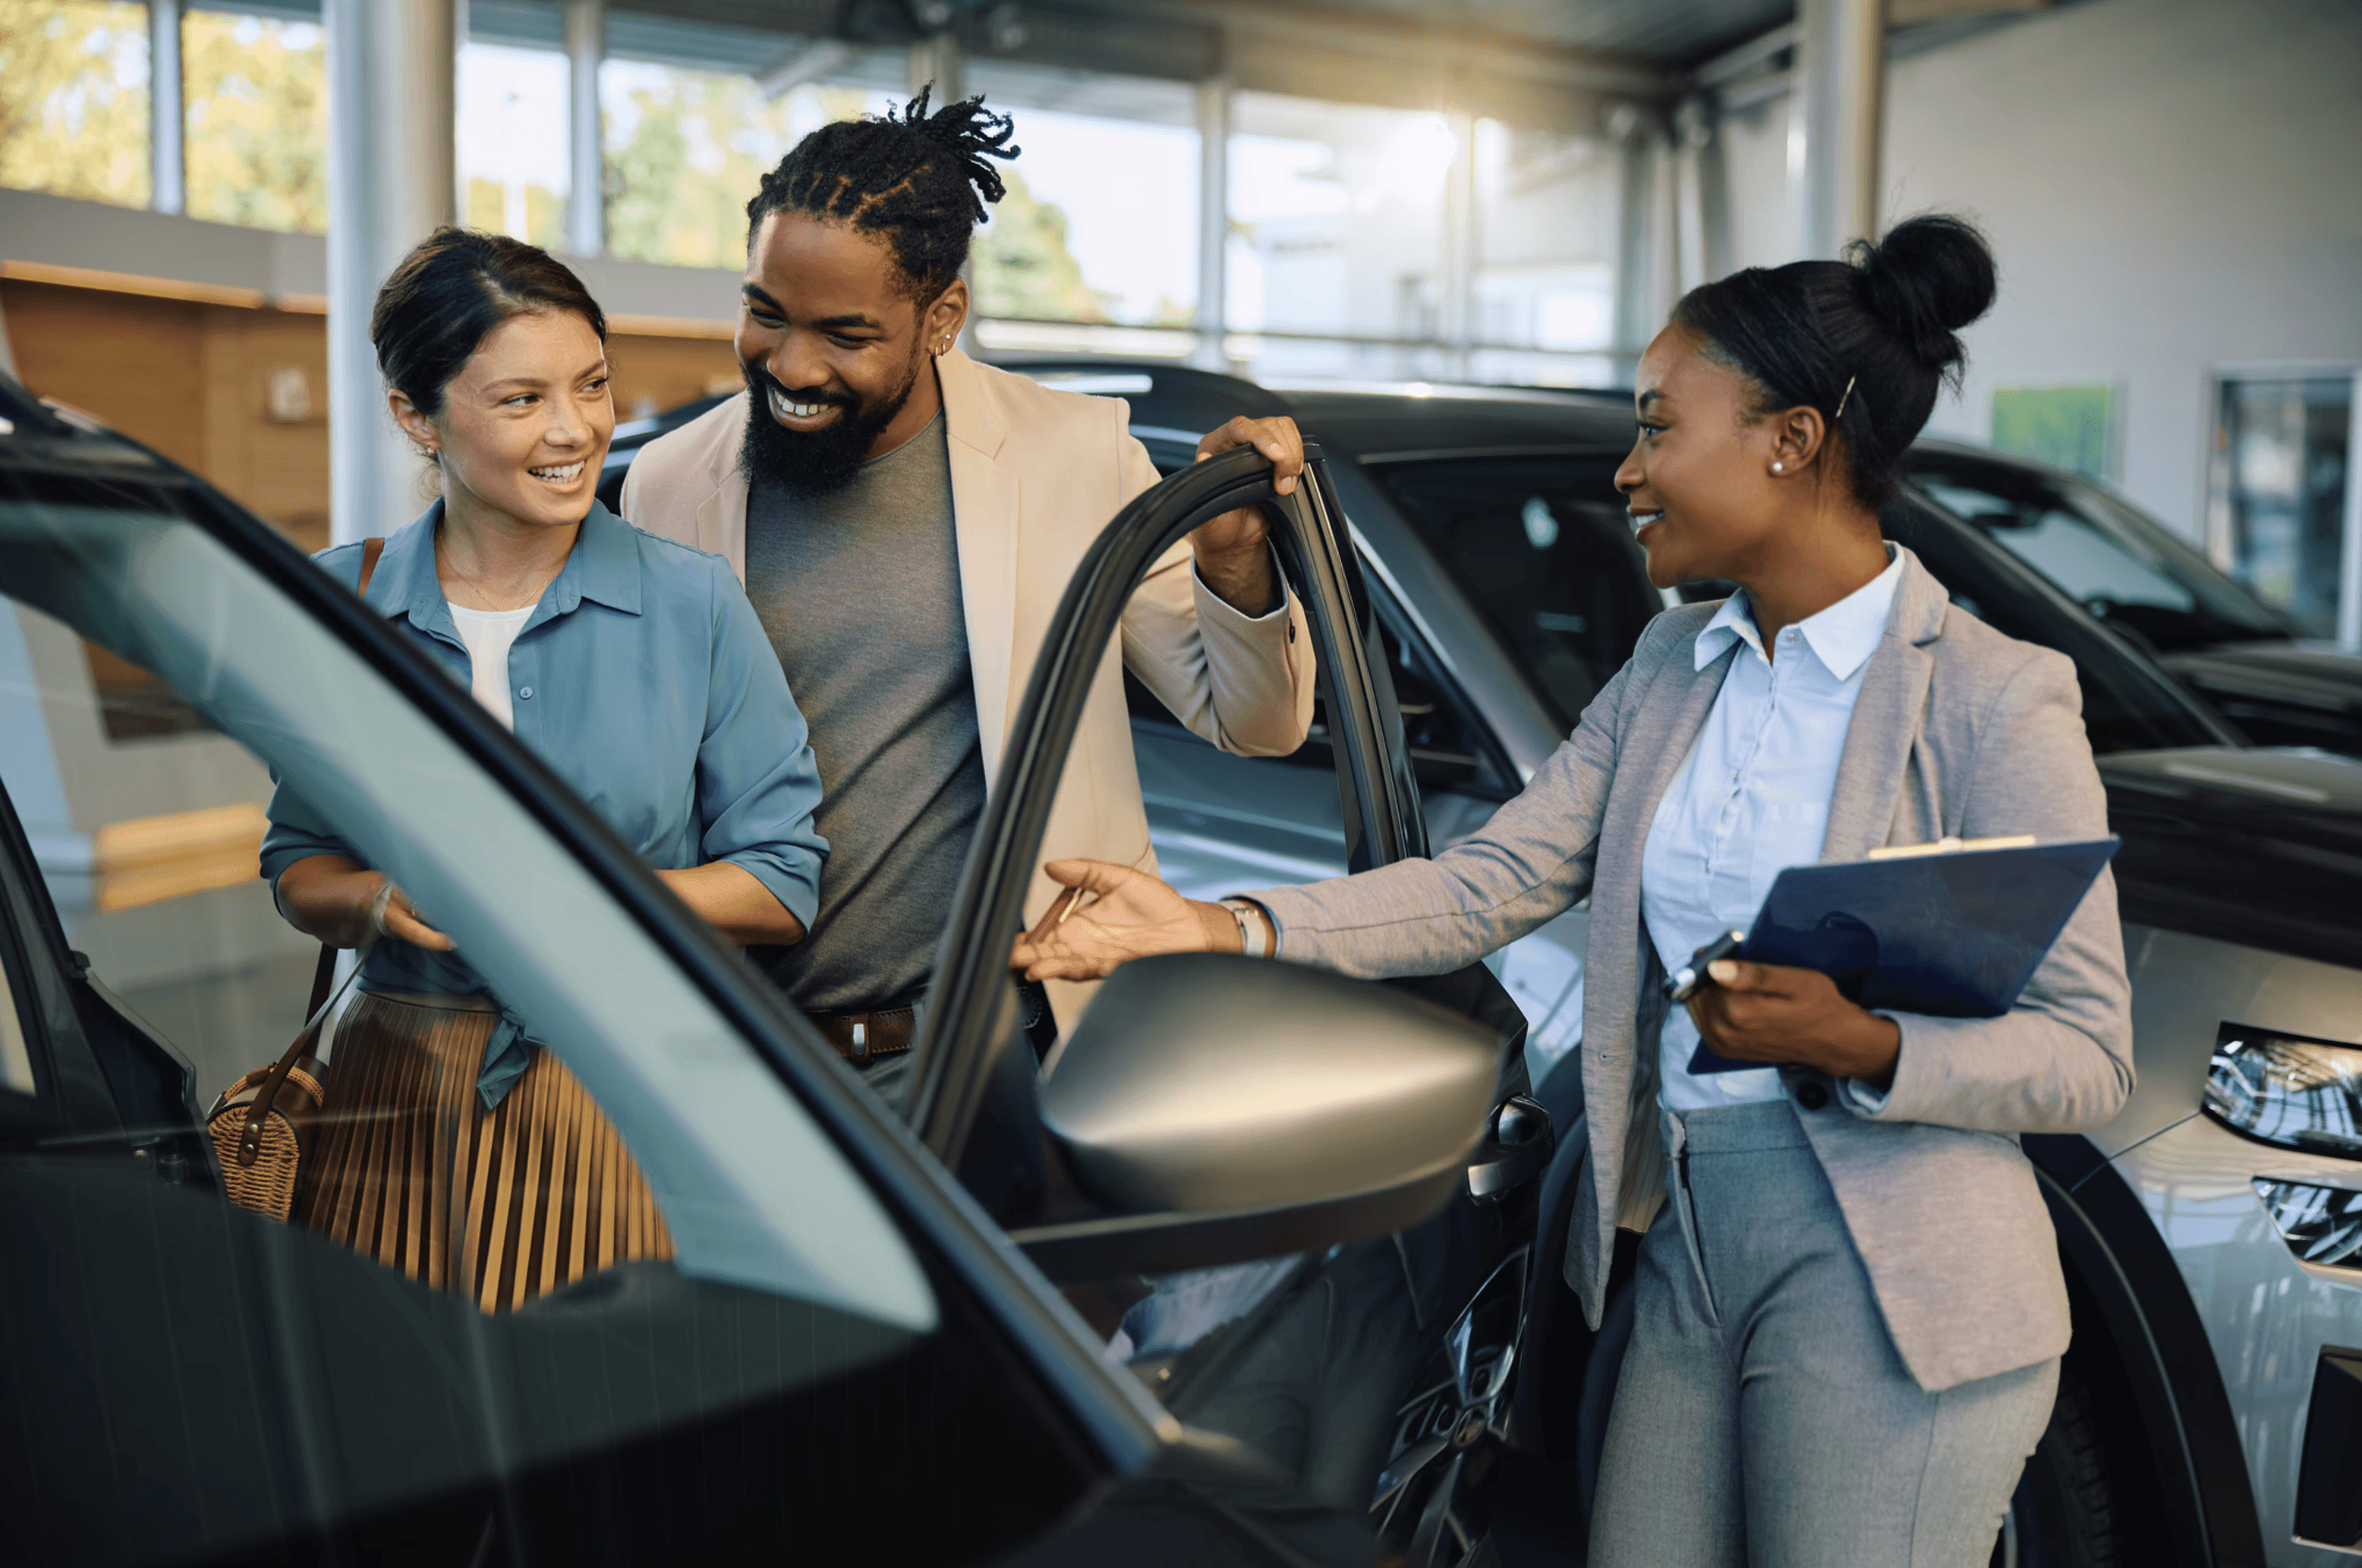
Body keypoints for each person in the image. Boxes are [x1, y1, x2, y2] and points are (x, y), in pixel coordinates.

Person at [1010, 216, 2135, 1566]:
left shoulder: (1991, 695)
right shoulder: (1674, 664)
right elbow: (1493, 878)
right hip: (1674, 1242)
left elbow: (2085, 1055)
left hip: (1893, 1270)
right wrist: (1211, 923)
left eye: (1659, 428)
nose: (1629, 468)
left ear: (1788, 439)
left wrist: (1859, 1043)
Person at [621, 90, 1314, 1094]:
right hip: (745, 1062)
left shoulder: (1072, 453)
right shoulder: (670, 480)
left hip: (1006, 1059)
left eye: (845, 334)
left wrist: (1231, 552)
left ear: (940, 316)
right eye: (764, 313)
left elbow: (1255, 723)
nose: (791, 363)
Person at [261, 229, 828, 1312]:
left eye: (592, 385)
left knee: (608, 1444)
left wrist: (585, 896)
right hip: (396, 1100)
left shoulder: (692, 600)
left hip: (635, 1097)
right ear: (414, 415)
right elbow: (298, 863)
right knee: (395, 1440)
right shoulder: (341, 602)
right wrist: (380, 899)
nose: (575, 429)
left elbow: (781, 878)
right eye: (521, 400)